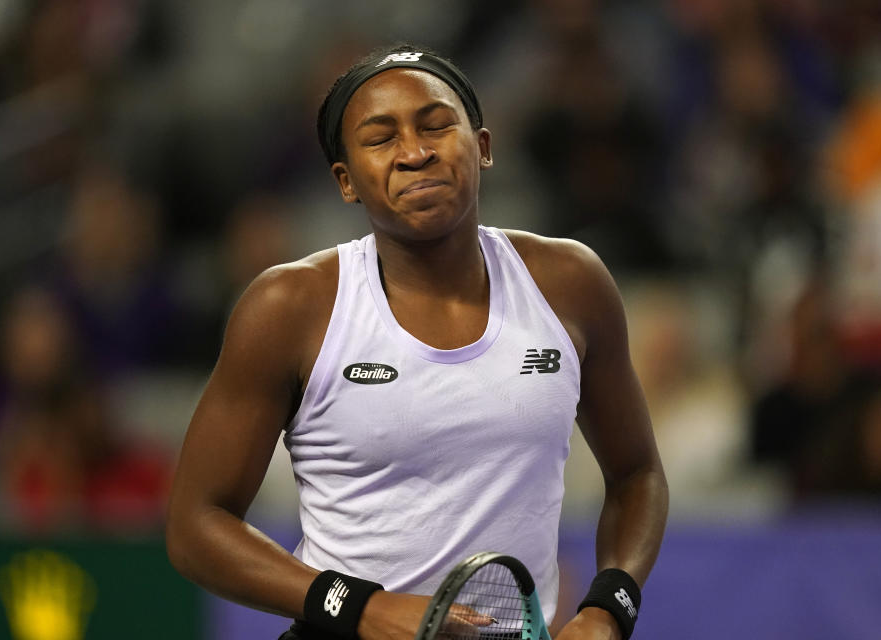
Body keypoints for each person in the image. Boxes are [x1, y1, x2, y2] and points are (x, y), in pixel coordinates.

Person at [166, 44, 668, 640]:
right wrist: (364, 608)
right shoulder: (289, 308)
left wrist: (608, 610)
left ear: (482, 147)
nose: (414, 153)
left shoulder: (571, 284)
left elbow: (638, 474)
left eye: (436, 125)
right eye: (381, 139)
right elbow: (196, 527)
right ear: (346, 182)